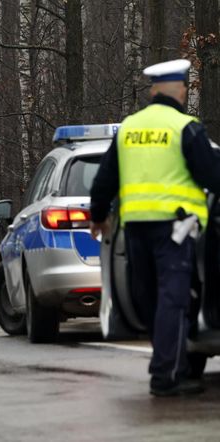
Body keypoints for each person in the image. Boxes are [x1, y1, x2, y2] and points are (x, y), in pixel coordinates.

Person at [90, 59, 220, 397]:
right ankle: (165, 376)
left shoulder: (130, 128)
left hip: (134, 228)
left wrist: (99, 216)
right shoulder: (185, 127)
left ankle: (166, 363)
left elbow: (105, 179)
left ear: (153, 90)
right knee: (173, 300)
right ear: (178, 89)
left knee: (148, 298)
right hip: (177, 230)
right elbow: (212, 177)